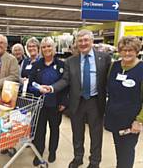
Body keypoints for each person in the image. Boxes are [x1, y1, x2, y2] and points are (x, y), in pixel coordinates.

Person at [41, 29, 111, 168]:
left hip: (95, 101)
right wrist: (52, 88)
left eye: (86, 40)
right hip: (77, 102)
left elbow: (109, 80)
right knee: (77, 133)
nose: (83, 43)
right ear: (76, 43)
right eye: (80, 41)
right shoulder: (70, 61)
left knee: (96, 134)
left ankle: (94, 161)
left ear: (92, 41)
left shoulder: (104, 58)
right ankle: (78, 157)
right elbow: (65, 80)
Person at [28, 37, 69, 166]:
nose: (46, 49)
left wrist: (63, 102)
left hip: (55, 105)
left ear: (54, 48)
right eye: (44, 47)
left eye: (49, 46)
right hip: (40, 104)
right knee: (39, 131)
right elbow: (30, 85)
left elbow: (66, 85)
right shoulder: (36, 65)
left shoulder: (62, 65)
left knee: (54, 129)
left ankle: (52, 151)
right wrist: (38, 89)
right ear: (41, 49)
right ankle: (39, 153)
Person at [104, 36, 143, 168]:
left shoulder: (141, 68)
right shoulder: (114, 66)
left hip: (131, 120)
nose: (127, 53)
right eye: (124, 50)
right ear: (119, 51)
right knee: (119, 149)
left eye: (130, 50)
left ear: (137, 51)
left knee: (127, 151)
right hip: (115, 117)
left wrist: (139, 120)